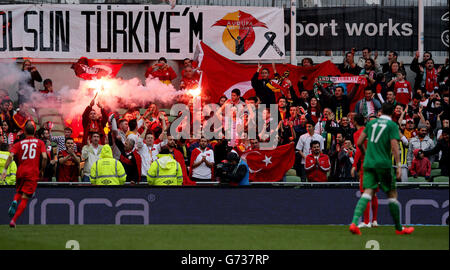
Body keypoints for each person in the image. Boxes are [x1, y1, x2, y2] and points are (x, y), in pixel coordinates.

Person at [349, 103, 414, 235]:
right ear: (393, 113)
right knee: (391, 194)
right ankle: (399, 228)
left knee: (367, 192)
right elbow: (395, 145)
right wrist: (398, 165)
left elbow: (360, 142)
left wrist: (366, 153)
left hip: (368, 163)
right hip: (384, 163)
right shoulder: (392, 126)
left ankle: (354, 223)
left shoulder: (371, 124)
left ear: (381, 111)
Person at [1, 121, 47, 228]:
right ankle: (13, 220)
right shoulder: (40, 143)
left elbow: (10, 156)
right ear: (35, 131)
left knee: (19, 191)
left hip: (21, 171)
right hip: (32, 172)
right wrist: (42, 170)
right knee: (25, 197)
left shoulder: (18, 143)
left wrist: (4, 170)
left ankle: (15, 200)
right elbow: (44, 157)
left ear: (25, 131)